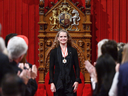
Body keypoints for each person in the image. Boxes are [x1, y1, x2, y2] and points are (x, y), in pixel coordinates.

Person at [49, 29, 81, 96]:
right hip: (58, 82)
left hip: (71, 83)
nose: (63, 38)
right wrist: (52, 82)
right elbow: (51, 68)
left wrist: (77, 80)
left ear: (68, 38)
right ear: (58, 38)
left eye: (65, 36)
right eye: (61, 37)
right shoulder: (53, 52)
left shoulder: (73, 51)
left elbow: (77, 67)